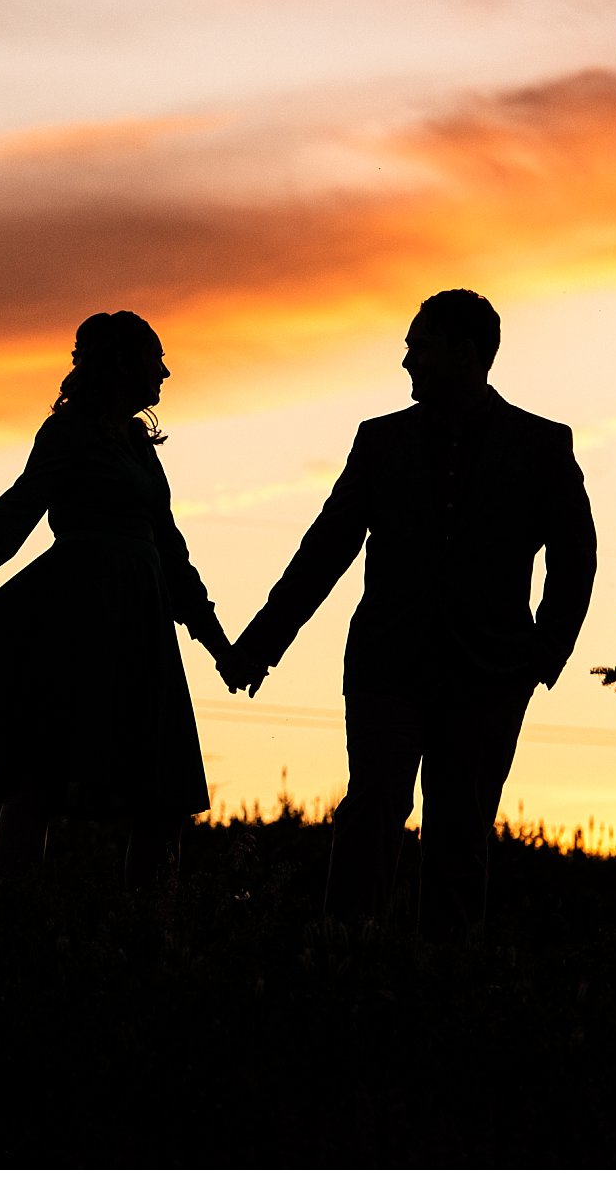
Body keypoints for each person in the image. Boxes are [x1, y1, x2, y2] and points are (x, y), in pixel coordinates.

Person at [221, 289, 596, 936]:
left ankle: (440, 990)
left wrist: (543, 654)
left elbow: (575, 558)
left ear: (466, 351)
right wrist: (260, 645)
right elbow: (326, 548)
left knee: (462, 828)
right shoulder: (381, 441)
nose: (407, 362)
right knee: (372, 811)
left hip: (490, 674)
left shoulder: (539, 446)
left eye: (419, 346)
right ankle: (342, 956)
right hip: (387, 666)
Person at [0, 310, 246, 888]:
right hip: (73, 619)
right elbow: (18, 508)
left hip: (140, 624)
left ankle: (144, 929)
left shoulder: (142, 448)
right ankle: (13, 914)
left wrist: (218, 643)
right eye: (155, 357)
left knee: (161, 792)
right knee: (36, 774)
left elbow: (172, 553)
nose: (165, 372)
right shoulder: (68, 432)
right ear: (122, 363)